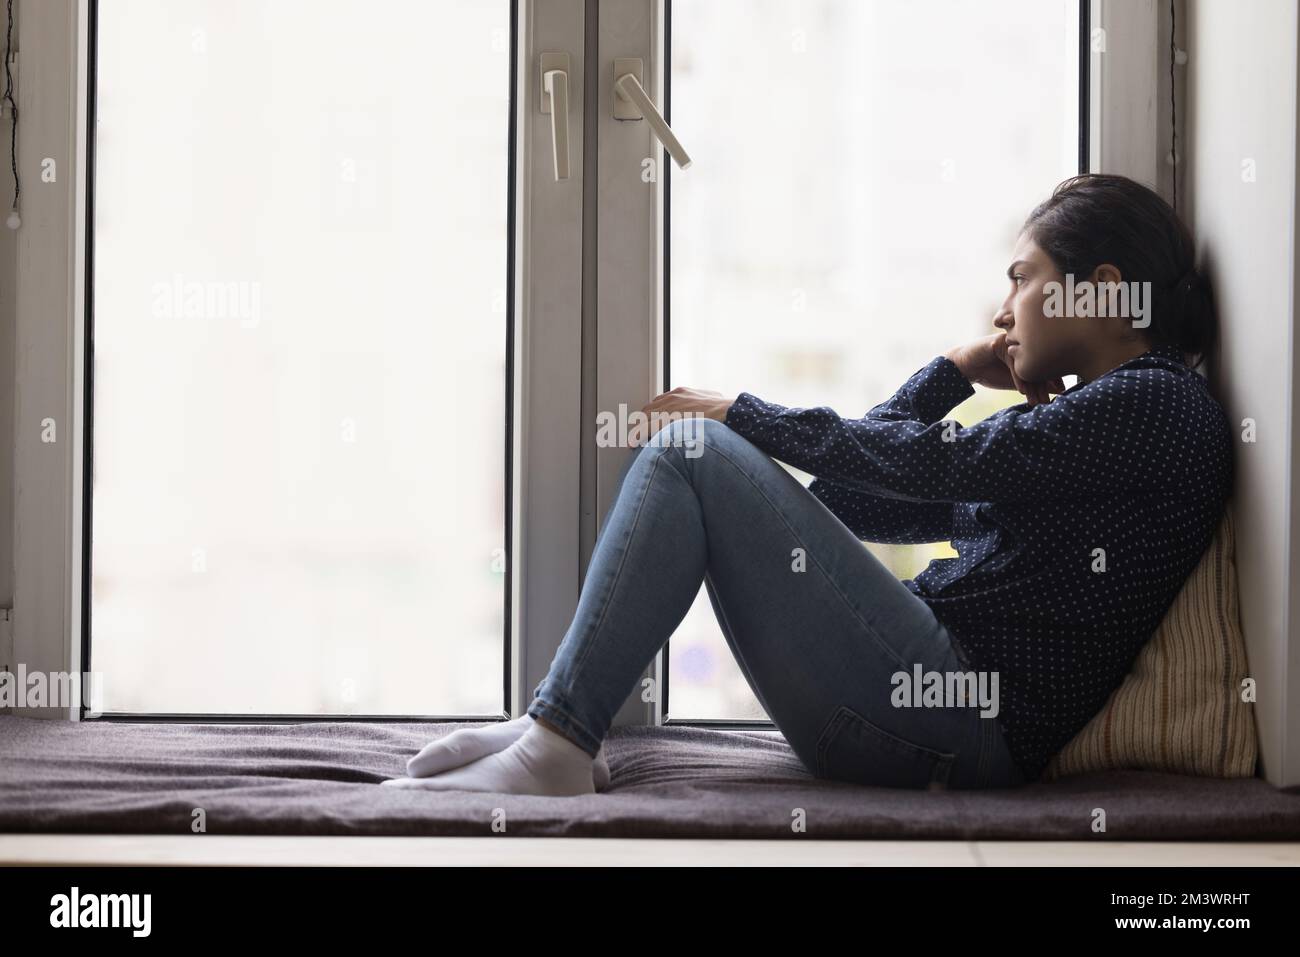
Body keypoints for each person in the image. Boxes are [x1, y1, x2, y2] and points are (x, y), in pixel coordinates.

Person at [382, 173, 1232, 796]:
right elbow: (851, 500)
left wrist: (739, 411)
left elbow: (937, 464)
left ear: (1103, 292)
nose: (1002, 309)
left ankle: (557, 743)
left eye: (1023, 277)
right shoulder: (1094, 428)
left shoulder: (1156, 404)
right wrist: (946, 372)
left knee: (694, 452)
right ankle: (560, 723)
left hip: (960, 724)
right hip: (923, 704)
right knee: (697, 455)